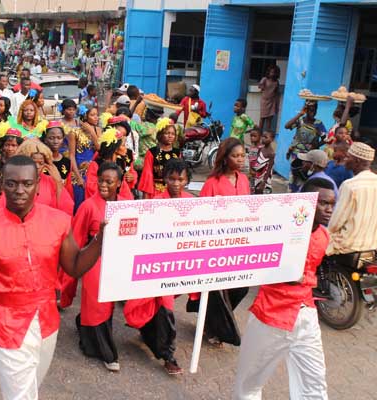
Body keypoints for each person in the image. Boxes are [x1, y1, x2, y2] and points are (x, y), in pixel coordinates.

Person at [0, 155, 104, 399]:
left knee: (30, 389)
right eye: (12, 183)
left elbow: (75, 267)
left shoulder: (58, 221)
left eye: (27, 183)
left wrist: (100, 240)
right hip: (7, 325)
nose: (19, 190)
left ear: (38, 185)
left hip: (48, 324)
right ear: (2, 184)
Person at [234, 178, 334, 399]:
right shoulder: (280, 230)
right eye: (322, 203)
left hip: (305, 315)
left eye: (331, 204)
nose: (328, 209)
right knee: (250, 382)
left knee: (314, 383)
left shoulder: (324, 236)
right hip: (271, 315)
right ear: (306, 201)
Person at [124, 159, 193, 376]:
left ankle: (150, 335)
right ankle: (168, 355)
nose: (175, 183)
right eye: (171, 178)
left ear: (187, 181)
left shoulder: (192, 203)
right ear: (164, 179)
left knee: (162, 305)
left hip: (182, 264)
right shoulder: (154, 204)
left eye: (180, 179)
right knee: (165, 307)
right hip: (158, 265)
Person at [192, 138, 250, 346]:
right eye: (235, 156)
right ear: (225, 159)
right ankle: (212, 326)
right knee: (216, 290)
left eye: (242, 155)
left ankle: (214, 321)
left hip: (238, 244)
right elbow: (201, 214)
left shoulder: (243, 180)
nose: (240, 159)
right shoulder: (212, 184)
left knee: (241, 288)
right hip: (216, 245)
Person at [72, 162, 130, 372]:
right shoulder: (88, 205)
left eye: (109, 181)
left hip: (118, 258)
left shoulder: (126, 204)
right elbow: (76, 237)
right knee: (98, 303)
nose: (103, 185)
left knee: (109, 304)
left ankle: (85, 331)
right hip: (93, 258)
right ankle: (107, 352)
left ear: (120, 183)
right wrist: (73, 266)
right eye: (101, 180)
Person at [0, 139, 74, 216]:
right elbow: (2, 209)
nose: (37, 166)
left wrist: (58, 182)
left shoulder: (51, 181)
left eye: (41, 163)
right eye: (33, 162)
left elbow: (66, 209)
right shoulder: (16, 180)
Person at [327, 142, 377, 255]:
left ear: (357, 161)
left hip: (347, 246)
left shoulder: (350, 185)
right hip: (372, 246)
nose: (345, 158)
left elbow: (335, 224)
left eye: (348, 157)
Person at [285, 100, 327, 192]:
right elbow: (287, 126)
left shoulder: (318, 124)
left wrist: (316, 145)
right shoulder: (300, 120)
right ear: (306, 110)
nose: (313, 112)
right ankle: (290, 195)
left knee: (305, 178)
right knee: (293, 176)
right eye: (310, 110)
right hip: (296, 154)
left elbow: (325, 139)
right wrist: (300, 114)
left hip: (309, 157)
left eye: (314, 110)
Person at [85, 127, 135, 201]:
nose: (125, 148)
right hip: (100, 203)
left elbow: (124, 188)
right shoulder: (96, 164)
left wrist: (131, 178)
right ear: (115, 148)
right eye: (122, 145)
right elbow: (91, 187)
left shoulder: (121, 162)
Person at [138, 117, 182, 198]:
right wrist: (146, 199)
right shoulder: (152, 152)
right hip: (156, 192)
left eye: (173, 134)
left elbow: (180, 175)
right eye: (167, 133)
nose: (170, 136)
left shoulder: (177, 153)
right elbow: (147, 176)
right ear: (160, 134)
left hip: (172, 192)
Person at [69, 105, 99, 211]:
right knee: (80, 205)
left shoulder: (98, 131)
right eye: (92, 115)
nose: (96, 117)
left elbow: (99, 149)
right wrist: (78, 177)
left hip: (93, 173)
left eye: (97, 115)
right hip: (79, 173)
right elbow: (71, 155)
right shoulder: (74, 132)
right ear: (85, 116)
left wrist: (92, 132)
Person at [42, 121, 73, 196]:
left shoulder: (67, 162)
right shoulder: (40, 161)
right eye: (51, 138)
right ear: (45, 139)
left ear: (63, 139)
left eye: (59, 138)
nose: (55, 141)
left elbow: (68, 188)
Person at [258, 65, 280, 131]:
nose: (272, 74)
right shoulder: (265, 79)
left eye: (274, 72)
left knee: (269, 119)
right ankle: (259, 133)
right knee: (262, 118)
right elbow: (260, 86)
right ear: (268, 72)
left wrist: (277, 105)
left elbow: (276, 93)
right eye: (271, 72)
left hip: (272, 101)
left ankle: (267, 134)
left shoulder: (276, 82)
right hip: (264, 101)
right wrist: (262, 86)